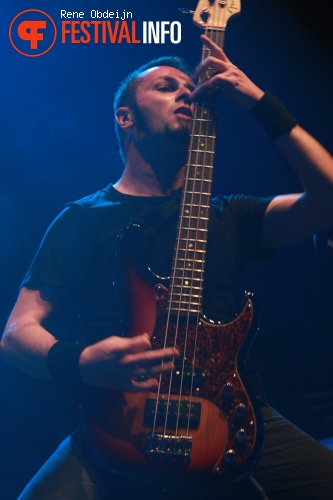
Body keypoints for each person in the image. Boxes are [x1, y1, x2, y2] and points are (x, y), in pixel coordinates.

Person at [2, 34, 333, 499]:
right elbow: (17, 332)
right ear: (125, 118)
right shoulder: (83, 218)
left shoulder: (229, 214)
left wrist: (259, 101)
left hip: (231, 415)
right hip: (117, 424)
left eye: (189, 87)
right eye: (165, 86)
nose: (186, 92)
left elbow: (329, 197)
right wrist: (79, 360)